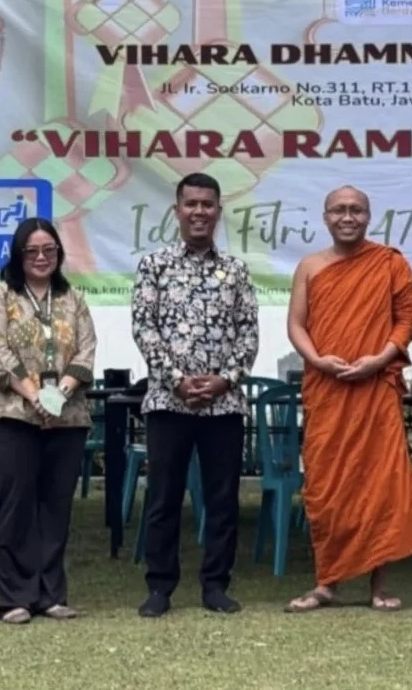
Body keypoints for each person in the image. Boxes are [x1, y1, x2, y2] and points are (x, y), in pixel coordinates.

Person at [284, 185, 412, 613]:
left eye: (357, 210)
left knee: (379, 485)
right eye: (340, 210)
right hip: (327, 389)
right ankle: (326, 582)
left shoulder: (389, 263)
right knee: (326, 486)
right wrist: (317, 361)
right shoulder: (310, 266)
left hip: (374, 387)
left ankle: (378, 586)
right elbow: (296, 324)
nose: (348, 217)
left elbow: (408, 318)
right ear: (325, 217)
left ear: (369, 217)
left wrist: (378, 359)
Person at [131, 173, 260, 618]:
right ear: (177, 210)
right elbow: (144, 328)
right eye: (192, 204)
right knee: (164, 497)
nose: (200, 212)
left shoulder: (237, 270)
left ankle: (216, 585)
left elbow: (248, 334)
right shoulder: (154, 266)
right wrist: (176, 380)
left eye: (208, 204)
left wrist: (224, 379)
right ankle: (159, 587)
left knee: (222, 500)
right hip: (170, 403)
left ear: (219, 211)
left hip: (223, 405)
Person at [0, 218, 98, 624]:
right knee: (15, 506)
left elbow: (86, 351)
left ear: (59, 255)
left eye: (49, 250)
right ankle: (15, 597)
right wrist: (34, 395)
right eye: (32, 251)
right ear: (18, 255)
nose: (42, 258)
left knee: (55, 507)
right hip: (12, 416)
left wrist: (57, 395)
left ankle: (51, 594)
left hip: (67, 417)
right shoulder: (0, 296)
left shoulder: (73, 298)